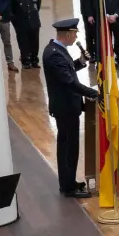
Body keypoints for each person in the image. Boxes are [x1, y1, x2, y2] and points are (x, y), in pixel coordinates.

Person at [43, 18, 101, 199]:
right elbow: (68, 82)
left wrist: (81, 61)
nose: (76, 36)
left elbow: (67, 71)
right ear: (68, 34)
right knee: (68, 147)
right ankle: (68, 186)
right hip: (65, 107)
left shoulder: (58, 50)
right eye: (75, 33)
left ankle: (68, 182)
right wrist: (94, 93)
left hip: (68, 106)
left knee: (70, 146)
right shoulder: (54, 54)